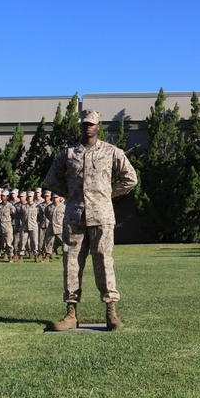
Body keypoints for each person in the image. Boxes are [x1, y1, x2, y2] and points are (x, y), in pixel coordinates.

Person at [46, 109, 138, 331]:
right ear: (81, 126)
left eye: (92, 123)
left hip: (102, 216)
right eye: (85, 123)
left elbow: (130, 179)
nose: (88, 127)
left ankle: (111, 313)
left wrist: (107, 194)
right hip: (74, 216)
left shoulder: (111, 152)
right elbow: (51, 180)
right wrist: (71, 195)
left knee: (104, 262)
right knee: (71, 263)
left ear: (99, 126)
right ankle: (70, 314)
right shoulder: (67, 154)